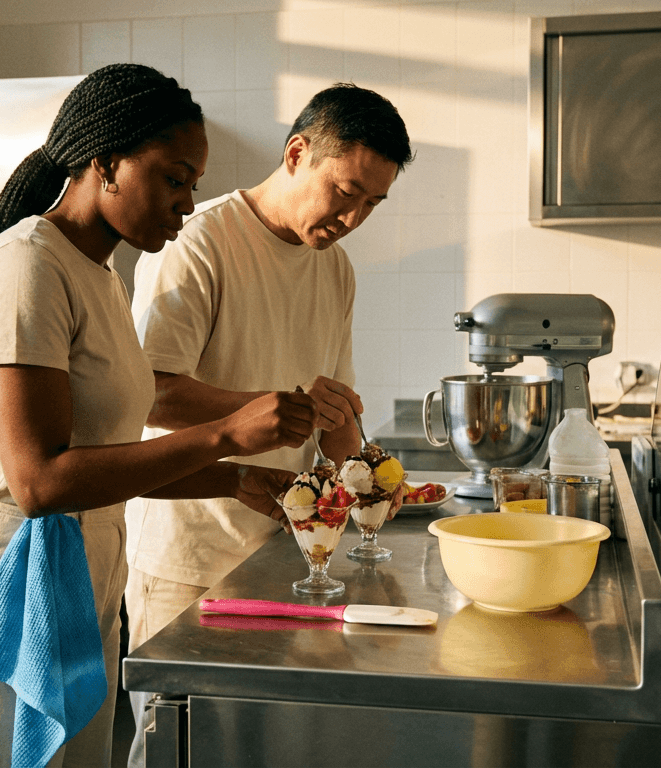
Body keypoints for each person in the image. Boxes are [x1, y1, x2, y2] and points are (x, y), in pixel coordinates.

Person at [0, 64, 327, 767]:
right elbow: (40, 482)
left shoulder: (98, 277)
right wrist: (224, 432)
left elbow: (105, 458)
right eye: (173, 178)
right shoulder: (27, 268)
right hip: (1, 574)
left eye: (193, 184)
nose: (186, 203)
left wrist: (236, 478)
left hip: (80, 566)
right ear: (105, 164)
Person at [122, 83, 413, 760]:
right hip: (189, 558)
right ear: (296, 153)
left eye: (372, 203)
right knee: (181, 751)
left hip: (288, 556)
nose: (353, 217)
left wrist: (365, 476)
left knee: (258, 750)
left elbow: (333, 415)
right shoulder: (198, 241)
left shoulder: (334, 269)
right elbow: (150, 394)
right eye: (345, 191)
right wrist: (276, 406)